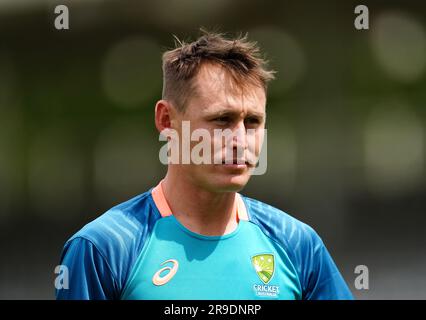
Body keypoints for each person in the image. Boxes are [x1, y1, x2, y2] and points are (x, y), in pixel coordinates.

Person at [56, 31, 353, 300]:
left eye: (252, 122)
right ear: (166, 121)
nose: (240, 140)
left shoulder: (297, 244)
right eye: (222, 119)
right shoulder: (104, 249)